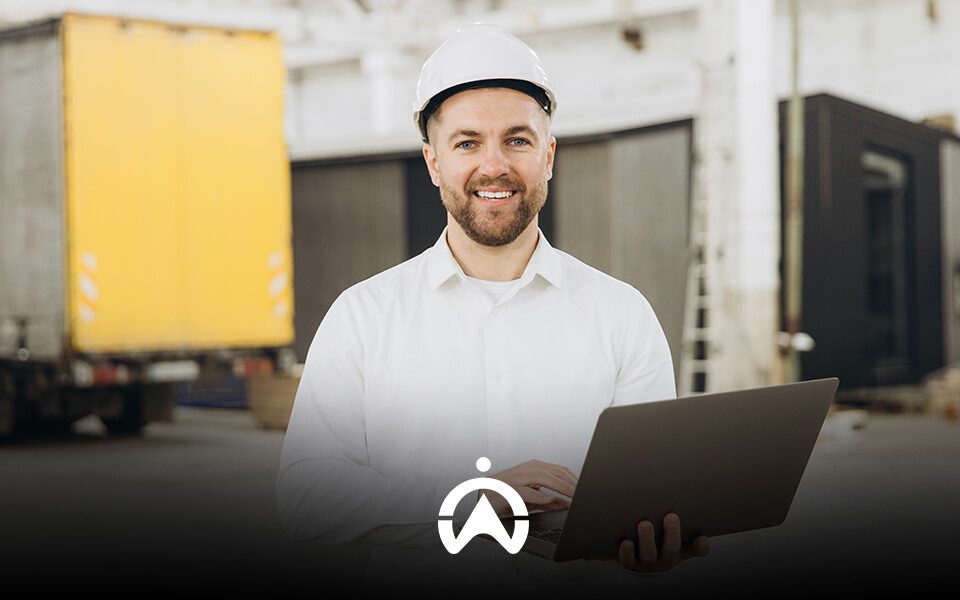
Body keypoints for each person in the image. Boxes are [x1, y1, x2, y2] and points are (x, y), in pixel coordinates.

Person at [277, 23, 709, 575]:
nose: (494, 165)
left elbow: (649, 490)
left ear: (548, 155)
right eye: (467, 143)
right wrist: (470, 498)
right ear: (434, 162)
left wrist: (654, 540)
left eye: (517, 140)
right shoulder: (362, 317)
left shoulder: (622, 315)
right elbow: (306, 497)